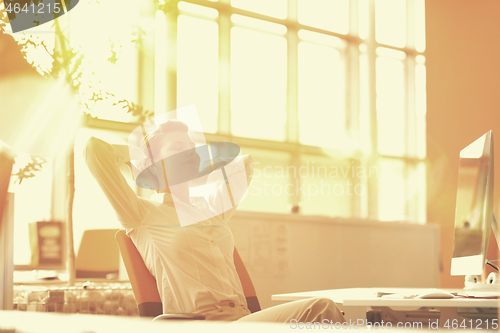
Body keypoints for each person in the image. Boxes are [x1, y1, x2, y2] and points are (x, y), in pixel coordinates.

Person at [84, 119, 346, 323]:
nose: (189, 154)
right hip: (202, 324)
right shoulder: (141, 214)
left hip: (241, 319)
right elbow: (95, 151)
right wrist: (145, 159)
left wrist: (197, 160)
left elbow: (244, 165)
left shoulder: (210, 209)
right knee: (321, 310)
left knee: (332, 317)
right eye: (178, 149)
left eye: (193, 150)